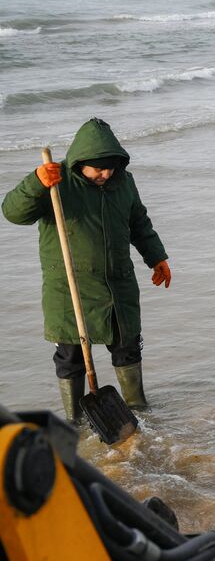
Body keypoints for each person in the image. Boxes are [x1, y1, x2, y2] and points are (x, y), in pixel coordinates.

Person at [3, 117, 170, 421]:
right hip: (69, 289)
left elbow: (139, 223)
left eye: (110, 167)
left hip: (117, 285)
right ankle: (75, 420)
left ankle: (138, 410)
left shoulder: (124, 182)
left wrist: (156, 257)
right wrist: (36, 182)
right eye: (98, 169)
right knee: (71, 358)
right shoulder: (56, 183)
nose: (105, 174)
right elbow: (13, 213)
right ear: (80, 163)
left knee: (127, 347)